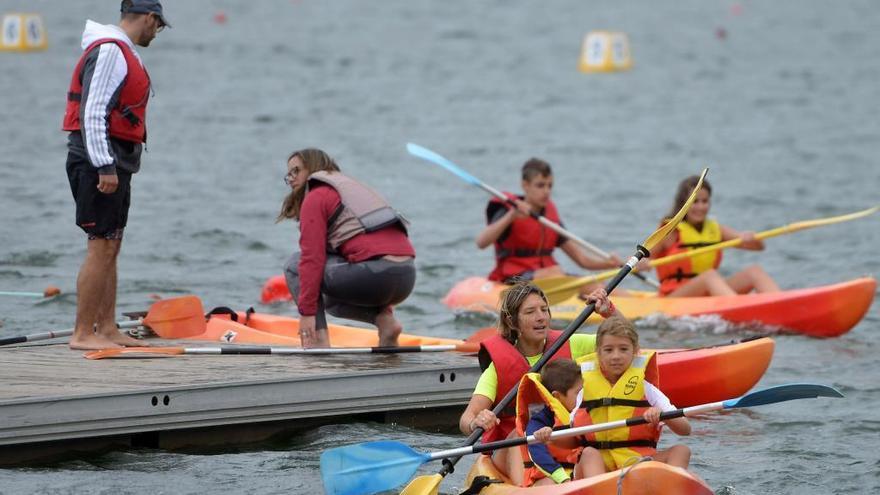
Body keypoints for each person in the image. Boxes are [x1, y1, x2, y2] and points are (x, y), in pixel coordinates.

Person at [63, 0, 170, 350]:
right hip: (98, 162)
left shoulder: (122, 50)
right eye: (159, 25)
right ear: (150, 18)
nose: (158, 32)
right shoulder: (110, 50)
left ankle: (106, 327)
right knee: (100, 246)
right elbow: (92, 111)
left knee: (111, 245)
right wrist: (104, 165)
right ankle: (82, 333)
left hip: (116, 161)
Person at [458, 280, 619, 486]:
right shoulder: (497, 368)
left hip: (560, 443)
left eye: (544, 310)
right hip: (514, 450)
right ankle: (524, 488)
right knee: (519, 434)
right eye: (531, 312)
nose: (541, 317)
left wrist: (610, 313)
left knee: (583, 457)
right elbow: (466, 418)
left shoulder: (570, 343)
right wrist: (476, 422)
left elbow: (624, 345)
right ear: (512, 322)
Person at [279, 149, 415, 348]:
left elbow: (311, 258)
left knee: (294, 265)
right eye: (288, 174)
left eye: (296, 171)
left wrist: (307, 314)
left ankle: (318, 343)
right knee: (328, 299)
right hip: (406, 277)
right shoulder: (350, 190)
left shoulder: (316, 195)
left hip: (374, 274)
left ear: (313, 168)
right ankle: (385, 323)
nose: (291, 179)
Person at [572, 316, 692, 477]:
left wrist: (661, 414)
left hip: (636, 463)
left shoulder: (646, 389)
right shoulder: (584, 391)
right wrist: (547, 434)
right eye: (608, 350)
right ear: (598, 353)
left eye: (623, 349)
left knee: (681, 450)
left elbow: (685, 429)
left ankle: (670, 488)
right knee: (588, 453)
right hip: (599, 468)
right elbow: (569, 436)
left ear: (635, 351)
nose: (616, 356)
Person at [476, 158, 621, 284]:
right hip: (513, 277)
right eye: (540, 185)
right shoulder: (509, 210)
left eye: (549, 185)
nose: (546, 191)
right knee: (555, 272)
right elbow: (481, 242)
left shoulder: (550, 218)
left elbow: (582, 260)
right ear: (525, 185)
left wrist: (613, 264)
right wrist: (512, 216)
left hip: (550, 277)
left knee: (595, 285)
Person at [650, 176, 781, 297]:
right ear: (683, 204)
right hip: (675, 296)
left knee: (754, 272)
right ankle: (737, 308)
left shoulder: (716, 229)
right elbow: (632, 260)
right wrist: (642, 263)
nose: (701, 207)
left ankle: (781, 303)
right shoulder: (670, 231)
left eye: (705, 201)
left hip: (707, 293)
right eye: (695, 202)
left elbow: (758, 247)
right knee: (709, 276)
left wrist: (752, 238)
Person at [515, 359, 584, 487]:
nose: (583, 398)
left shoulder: (588, 412)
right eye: (578, 393)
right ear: (557, 396)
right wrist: (562, 478)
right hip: (551, 474)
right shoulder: (539, 423)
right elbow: (537, 452)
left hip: (579, 469)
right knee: (548, 483)